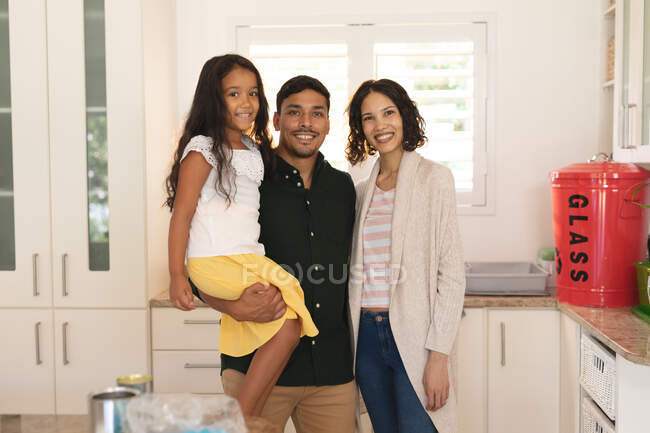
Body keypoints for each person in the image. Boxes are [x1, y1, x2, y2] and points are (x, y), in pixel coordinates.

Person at [174, 75, 357, 433]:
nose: (306, 123)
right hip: (255, 364)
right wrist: (231, 305)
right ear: (275, 120)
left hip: (331, 374)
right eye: (294, 113)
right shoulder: (249, 176)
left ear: (328, 123)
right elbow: (205, 251)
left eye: (317, 113)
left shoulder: (343, 187)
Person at [165, 54, 318, 417]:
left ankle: (245, 417)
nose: (246, 102)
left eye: (253, 93)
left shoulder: (252, 149)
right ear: (213, 99)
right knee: (288, 323)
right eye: (233, 94)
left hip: (247, 256)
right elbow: (181, 216)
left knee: (291, 321)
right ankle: (240, 421)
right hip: (215, 258)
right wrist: (176, 276)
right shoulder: (202, 150)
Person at [346, 79, 465, 433]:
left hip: (415, 336)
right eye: (369, 118)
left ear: (404, 116)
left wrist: (439, 356)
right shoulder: (361, 191)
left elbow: (452, 274)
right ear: (361, 128)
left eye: (388, 113)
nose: (380, 125)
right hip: (366, 337)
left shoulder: (435, 179)